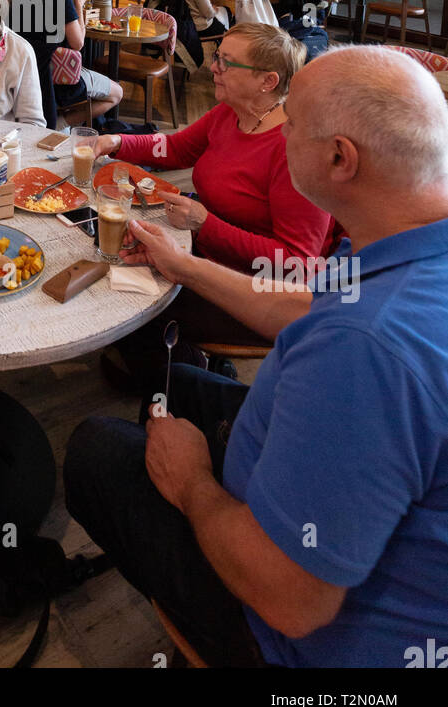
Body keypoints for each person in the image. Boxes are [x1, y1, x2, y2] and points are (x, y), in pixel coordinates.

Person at [65, 46, 448, 668]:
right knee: (181, 385)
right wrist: (184, 264)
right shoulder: (405, 242)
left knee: (96, 449)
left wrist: (191, 485)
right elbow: (302, 302)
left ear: (338, 158)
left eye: (291, 121)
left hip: (300, 641)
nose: (279, 129)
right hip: (345, 491)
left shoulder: (366, 349)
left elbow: (294, 601)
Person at [94, 23, 335, 387]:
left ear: (267, 81)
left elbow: (296, 264)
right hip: (203, 254)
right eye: (217, 57)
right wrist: (116, 141)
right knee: (118, 259)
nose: (212, 68)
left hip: (254, 291)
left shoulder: (294, 149)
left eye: (226, 62)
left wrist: (206, 225)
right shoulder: (232, 113)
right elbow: (176, 148)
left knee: (132, 296)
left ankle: (189, 371)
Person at [10, 0, 122, 130]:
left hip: (21, 70)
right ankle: (63, 123)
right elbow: (77, 43)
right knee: (117, 94)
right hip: (56, 76)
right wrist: (78, 5)